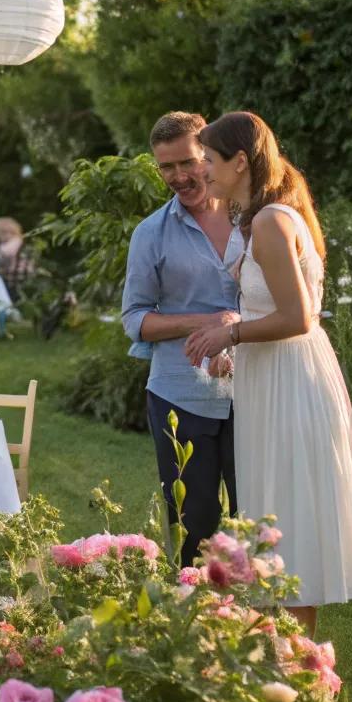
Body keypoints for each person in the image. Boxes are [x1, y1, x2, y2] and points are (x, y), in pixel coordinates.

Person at [184, 111, 352, 634]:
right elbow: (277, 309)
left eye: (210, 160)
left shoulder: (271, 221)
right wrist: (239, 330)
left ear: (241, 161)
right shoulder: (273, 213)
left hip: (289, 382)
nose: (204, 170)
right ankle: (285, 658)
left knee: (289, 518)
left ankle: (299, 668)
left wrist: (232, 334)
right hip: (278, 375)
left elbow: (297, 317)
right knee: (279, 514)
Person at [121, 112, 243, 565]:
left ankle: (260, 620)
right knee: (198, 522)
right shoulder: (150, 234)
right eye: (166, 167)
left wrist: (234, 325)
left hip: (254, 388)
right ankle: (195, 621)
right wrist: (206, 323)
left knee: (259, 516)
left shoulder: (250, 219)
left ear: (209, 155)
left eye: (188, 162)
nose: (179, 176)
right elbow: (135, 318)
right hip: (180, 395)